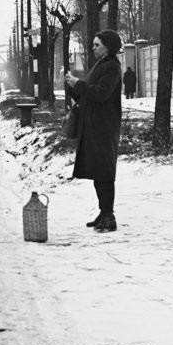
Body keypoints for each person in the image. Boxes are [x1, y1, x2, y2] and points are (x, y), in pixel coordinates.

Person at [64, 29, 123, 233]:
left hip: (104, 125)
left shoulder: (112, 66)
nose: (93, 48)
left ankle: (109, 215)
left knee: (104, 172)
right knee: (98, 170)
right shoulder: (101, 65)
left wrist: (78, 84)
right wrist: (73, 86)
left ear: (108, 46)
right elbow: (88, 95)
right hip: (94, 124)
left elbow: (101, 94)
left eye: (97, 45)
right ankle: (103, 212)